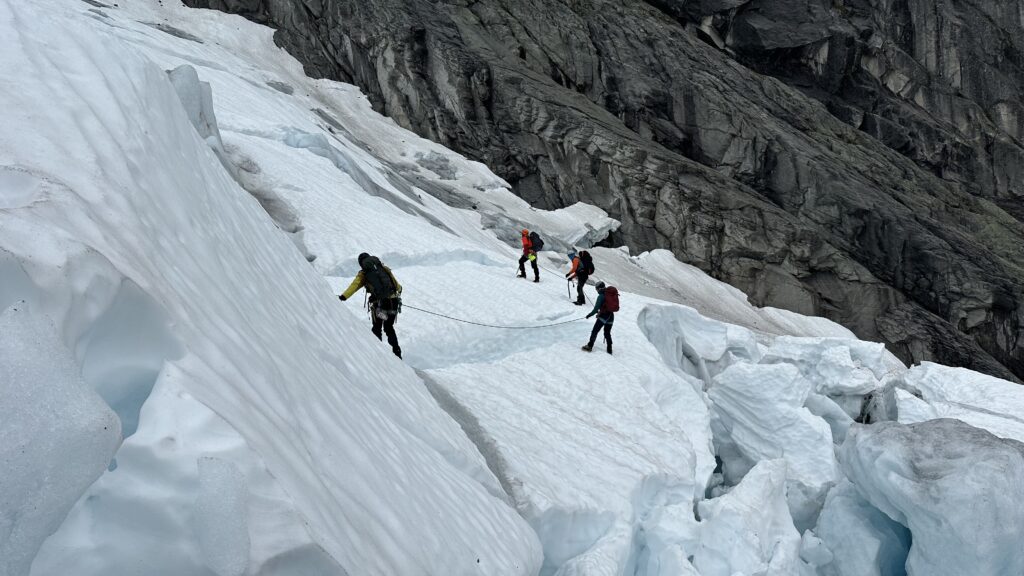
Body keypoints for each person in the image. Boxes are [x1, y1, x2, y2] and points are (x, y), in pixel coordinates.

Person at [339, 253, 403, 358]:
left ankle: (377, 355)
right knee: (389, 327)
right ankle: (397, 353)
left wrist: (343, 297)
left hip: (379, 306)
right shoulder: (384, 268)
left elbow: (354, 286)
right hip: (392, 303)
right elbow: (397, 286)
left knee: (377, 327)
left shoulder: (364, 274)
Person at [582, 282, 618, 354]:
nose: (596, 290)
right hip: (611, 316)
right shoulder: (609, 294)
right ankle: (609, 348)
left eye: (596, 289)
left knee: (595, 331)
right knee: (607, 332)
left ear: (598, 288)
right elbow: (606, 307)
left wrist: (589, 315)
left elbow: (595, 309)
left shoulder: (601, 296)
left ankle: (590, 346)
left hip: (603, 316)